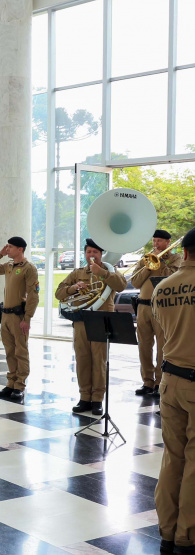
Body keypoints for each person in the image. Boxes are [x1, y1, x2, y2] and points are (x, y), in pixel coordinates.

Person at [152, 226, 195, 555]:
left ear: (184, 252)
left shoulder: (162, 288)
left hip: (170, 382)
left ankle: (167, 531)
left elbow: (163, 330)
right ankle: (187, 536)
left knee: (172, 459)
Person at [55, 238, 127, 416]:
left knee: (99, 361)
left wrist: (102, 273)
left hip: (101, 321)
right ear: (85, 254)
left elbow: (122, 286)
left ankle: (97, 400)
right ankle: (84, 397)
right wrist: (74, 288)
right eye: (88, 252)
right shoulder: (77, 272)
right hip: (81, 320)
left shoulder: (110, 270)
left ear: (101, 254)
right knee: (82, 360)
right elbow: (59, 293)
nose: (91, 255)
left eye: (95, 252)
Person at [0, 236, 40, 401]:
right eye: (6, 247)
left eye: (10, 247)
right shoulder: (8, 266)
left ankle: (20, 385)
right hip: (5, 315)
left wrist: (27, 318)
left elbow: (33, 296)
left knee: (20, 351)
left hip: (18, 316)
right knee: (9, 352)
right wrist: (0, 254)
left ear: (20, 249)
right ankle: (11, 383)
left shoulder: (29, 268)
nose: (7, 249)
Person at [133, 229, 183, 397]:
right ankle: (147, 381)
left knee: (162, 346)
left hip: (162, 307)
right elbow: (135, 282)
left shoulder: (176, 259)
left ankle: (160, 383)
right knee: (144, 346)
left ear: (168, 243)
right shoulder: (145, 259)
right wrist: (149, 265)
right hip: (143, 307)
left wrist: (160, 262)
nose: (156, 244)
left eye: (160, 241)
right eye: (154, 241)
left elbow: (174, 279)